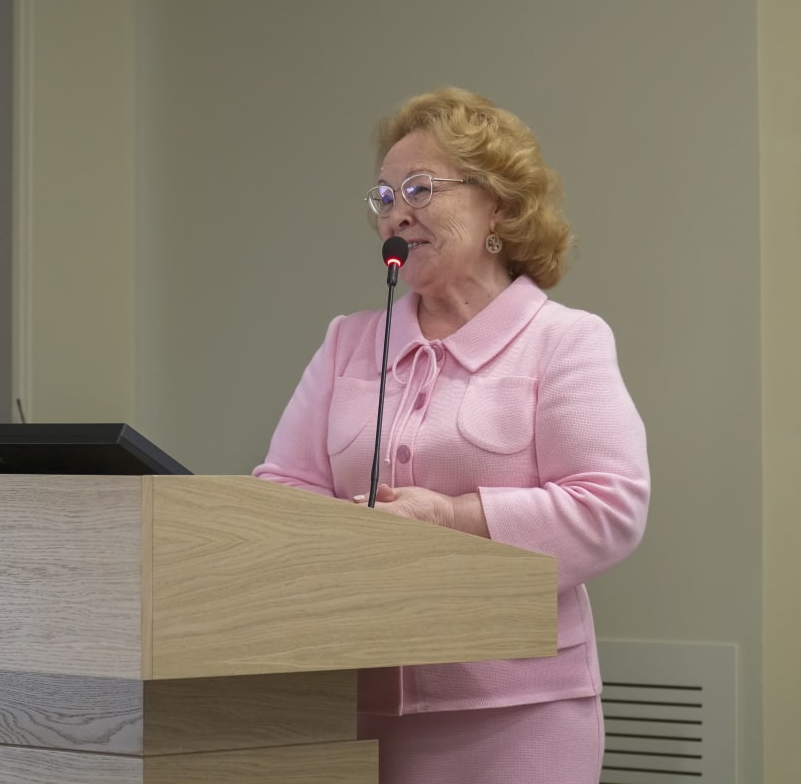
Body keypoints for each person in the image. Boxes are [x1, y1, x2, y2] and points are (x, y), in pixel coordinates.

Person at [253, 87, 650, 784]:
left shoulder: (563, 340)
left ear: (498, 204)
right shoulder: (348, 342)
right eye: (384, 197)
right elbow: (282, 490)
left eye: (419, 189)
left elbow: (609, 506)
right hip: (355, 706)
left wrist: (449, 517)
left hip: (519, 715)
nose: (395, 213)